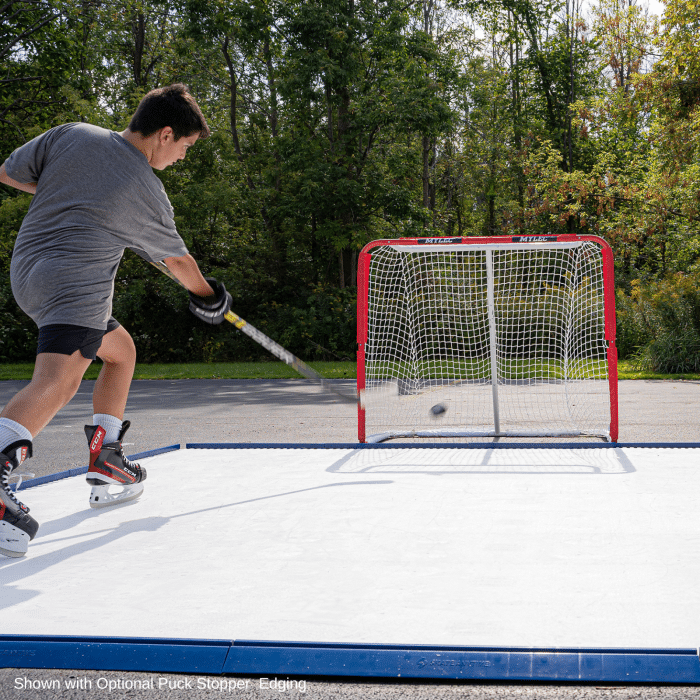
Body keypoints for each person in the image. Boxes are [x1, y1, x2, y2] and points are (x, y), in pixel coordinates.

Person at [0, 83, 231, 558]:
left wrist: (78, 199)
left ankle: (107, 461)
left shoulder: (73, 134)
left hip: (28, 277)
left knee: (120, 352)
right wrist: (211, 298)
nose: (183, 158)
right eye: (185, 147)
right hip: (73, 285)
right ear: (165, 135)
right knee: (59, 382)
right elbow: (181, 265)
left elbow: (9, 173)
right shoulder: (145, 188)